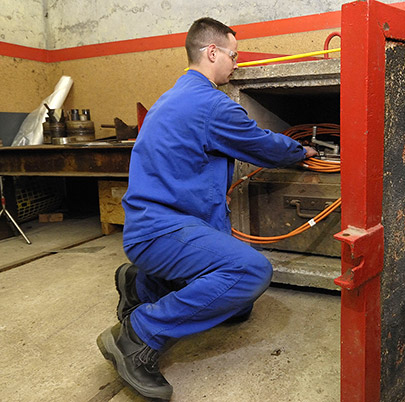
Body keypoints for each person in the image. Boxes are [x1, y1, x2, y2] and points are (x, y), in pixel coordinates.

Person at [96, 17, 317, 401]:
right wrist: (302, 151)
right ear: (211, 52)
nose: (236, 64)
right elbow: (261, 144)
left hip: (151, 224)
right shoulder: (209, 103)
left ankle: (143, 283)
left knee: (237, 307)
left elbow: (190, 167)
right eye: (232, 55)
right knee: (251, 272)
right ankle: (137, 336)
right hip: (161, 231)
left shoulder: (173, 96)